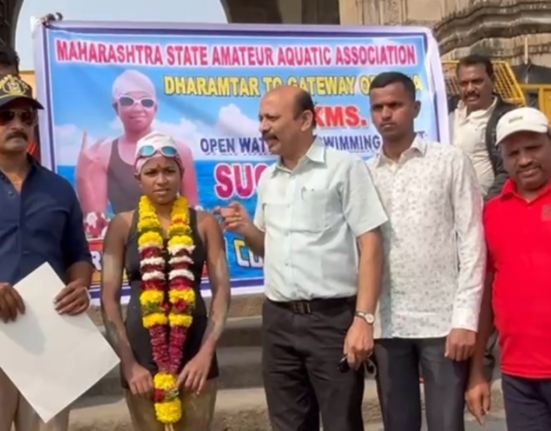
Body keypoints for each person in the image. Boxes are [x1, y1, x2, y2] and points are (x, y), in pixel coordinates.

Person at [216, 85, 387, 431]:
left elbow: (371, 244)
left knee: (342, 423)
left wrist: (364, 319)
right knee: (289, 425)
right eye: (261, 118)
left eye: (272, 118)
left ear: (306, 119)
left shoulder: (344, 168)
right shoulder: (268, 179)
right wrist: (247, 229)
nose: (263, 126)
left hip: (331, 321)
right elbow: (268, 247)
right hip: (278, 321)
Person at [366, 72, 486, 431]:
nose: (386, 114)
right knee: (398, 425)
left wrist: (465, 320)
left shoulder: (450, 161)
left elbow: (472, 242)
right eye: (378, 107)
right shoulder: (364, 174)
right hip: (388, 324)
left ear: (415, 108)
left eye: (395, 105)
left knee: (446, 424)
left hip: (442, 323)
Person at [100, 131, 230, 431]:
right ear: (138, 177)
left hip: (196, 351)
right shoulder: (121, 225)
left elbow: (222, 290)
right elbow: (108, 298)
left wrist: (205, 354)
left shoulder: (205, 223)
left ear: (181, 174)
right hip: (140, 355)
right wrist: (129, 363)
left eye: (169, 170)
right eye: (152, 172)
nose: (161, 179)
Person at [0, 74, 93, 431]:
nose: (17, 124)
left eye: (26, 117)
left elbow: (78, 254)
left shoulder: (59, 189)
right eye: (5, 116)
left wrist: (80, 285)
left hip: (49, 338)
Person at [465, 107, 551, 431]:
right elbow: (486, 295)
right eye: (513, 152)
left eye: (533, 148)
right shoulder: (493, 213)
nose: (524, 160)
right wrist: (478, 372)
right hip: (518, 376)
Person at [449, 54, 516, 387]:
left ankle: (483, 359)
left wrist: (484, 209)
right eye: (464, 83)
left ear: (492, 81)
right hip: (449, 220)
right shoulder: (448, 116)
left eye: (477, 81)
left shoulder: (506, 118)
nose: (470, 89)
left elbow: (508, 170)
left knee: (485, 286)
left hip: (486, 214)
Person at [76, 69, 199, 217]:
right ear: (116, 107)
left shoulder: (179, 151)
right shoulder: (103, 155)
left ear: (155, 108)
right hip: (123, 238)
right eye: (127, 101)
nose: (137, 108)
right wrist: (82, 175)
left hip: (174, 238)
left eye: (146, 102)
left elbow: (192, 213)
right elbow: (95, 222)